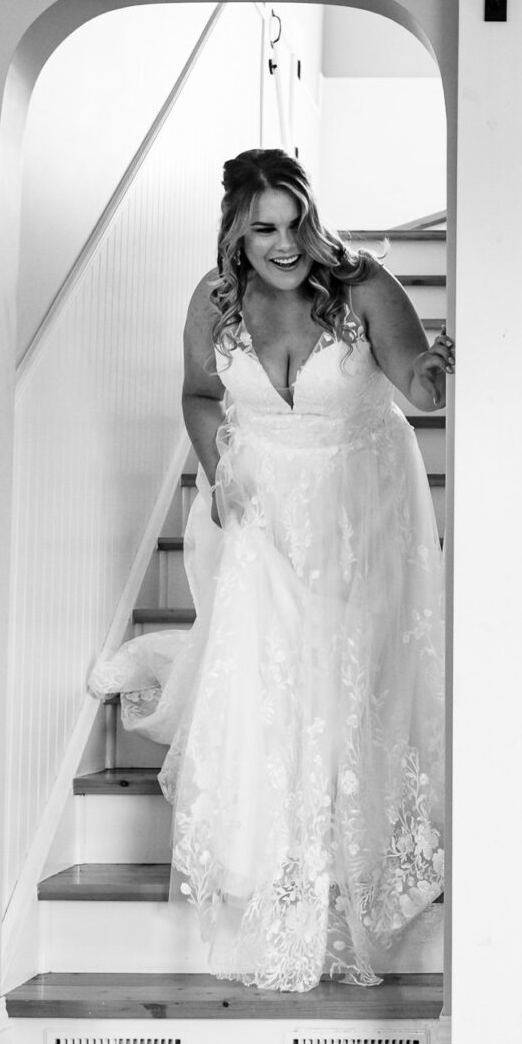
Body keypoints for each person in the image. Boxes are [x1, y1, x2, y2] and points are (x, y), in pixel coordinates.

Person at [91, 148, 453, 992]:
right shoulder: (214, 302)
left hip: (359, 510)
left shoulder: (363, 287)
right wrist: (220, 467)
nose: (285, 244)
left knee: (351, 679)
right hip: (258, 508)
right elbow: (197, 391)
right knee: (264, 682)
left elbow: (416, 385)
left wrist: (437, 368)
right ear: (235, 233)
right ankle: (270, 863)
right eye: (264, 229)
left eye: (294, 222)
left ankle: (360, 851)